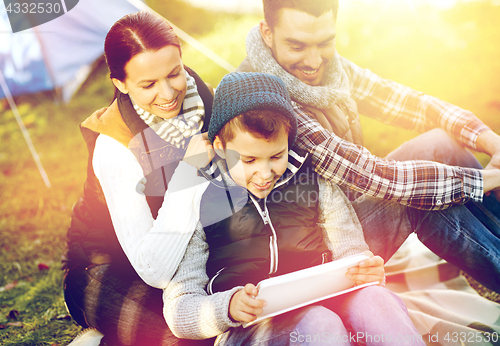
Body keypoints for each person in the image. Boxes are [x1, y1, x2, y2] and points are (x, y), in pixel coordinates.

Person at [236, 0, 500, 292]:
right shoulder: (266, 101)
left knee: (440, 143)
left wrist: (490, 140)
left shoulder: (333, 70)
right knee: (418, 197)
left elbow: (407, 102)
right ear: (267, 33)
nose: (313, 61)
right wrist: (483, 180)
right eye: (297, 47)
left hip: (349, 208)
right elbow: (379, 179)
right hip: (317, 253)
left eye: (324, 43)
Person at [163, 72, 425, 345]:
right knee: (320, 323)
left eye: (276, 155)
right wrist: (226, 307)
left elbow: (351, 251)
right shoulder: (197, 198)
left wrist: (362, 272)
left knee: (376, 300)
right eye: (249, 160)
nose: (264, 173)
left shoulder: (313, 179)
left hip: (325, 300)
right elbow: (179, 309)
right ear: (220, 146)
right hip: (250, 330)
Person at [62, 11, 215, 346]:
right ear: (121, 84)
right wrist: (190, 170)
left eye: (174, 73)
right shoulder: (114, 148)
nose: (167, 93)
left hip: (189, 256)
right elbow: (154, 269)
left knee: (224, 323)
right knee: (187, 338)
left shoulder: (206, 102)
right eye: (147, 85)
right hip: (106, 271)